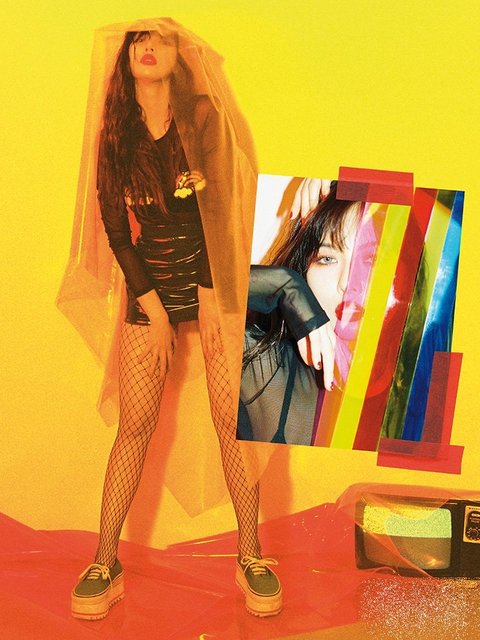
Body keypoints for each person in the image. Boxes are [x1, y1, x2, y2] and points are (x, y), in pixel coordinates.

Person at [59, 18, 281, 620]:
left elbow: (224, 206)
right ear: (125, 59)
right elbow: (114, 228)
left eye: (158, 39)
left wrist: (209, 292)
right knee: (134, 425)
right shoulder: (115, 132)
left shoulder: (202, 116)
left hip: (213, 278)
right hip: (149, 283)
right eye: (137, 40)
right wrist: (153, 310)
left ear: (179, 56)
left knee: (233, 421)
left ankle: (251, 556)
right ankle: (105, 562)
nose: (147, 46)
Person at [238, 180, 362, 445]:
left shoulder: (434, 390)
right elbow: (175, 293)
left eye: (370, 259)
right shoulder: (264, 366)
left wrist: (356, 166)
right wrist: (285, 284)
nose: (346, 282)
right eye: (327, 259)